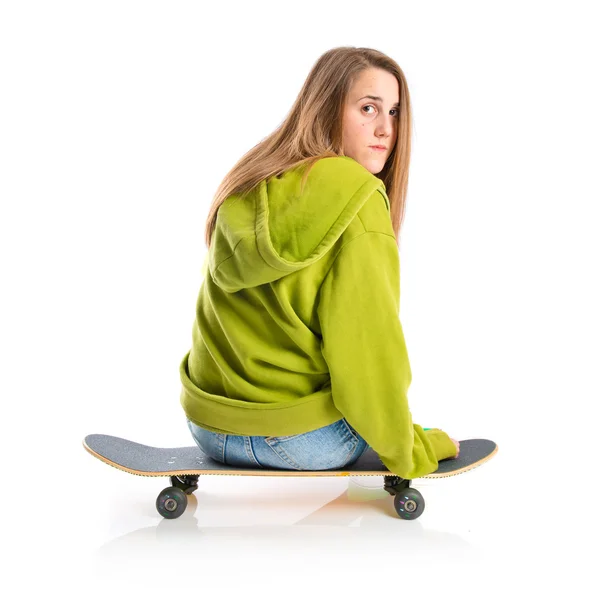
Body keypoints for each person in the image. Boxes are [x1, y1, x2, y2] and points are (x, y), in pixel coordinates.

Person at [179, 46, 460, 480]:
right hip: (300, 442)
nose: (386, 128)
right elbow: (368, 351)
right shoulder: (359, 198)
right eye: (368, 108)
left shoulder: (251, 179)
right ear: (327, 108)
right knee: (370, 409)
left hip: (209, 428)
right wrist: (411, 447)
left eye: (396, 112)